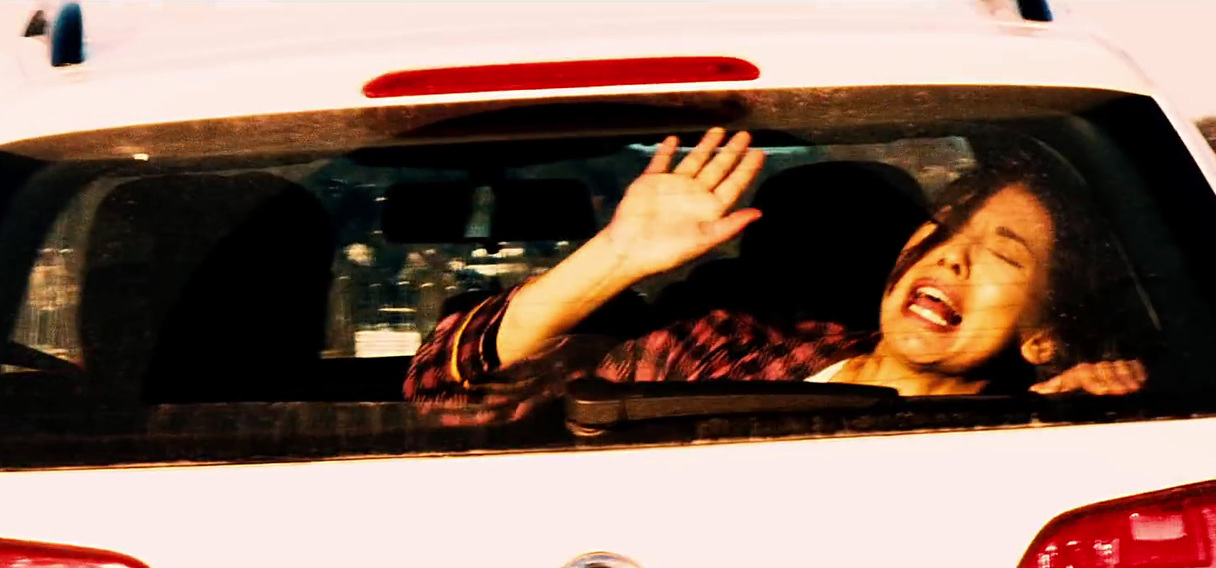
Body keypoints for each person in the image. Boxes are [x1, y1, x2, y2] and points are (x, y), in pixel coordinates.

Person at [403, 129, 1146, 421]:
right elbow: (444, 399)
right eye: (946, 231)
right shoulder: (724, 349)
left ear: (1045, 334)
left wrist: (1092, 413)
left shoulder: (1035, 427)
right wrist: (616, 257)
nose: (952, 256)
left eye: (1006, 255)